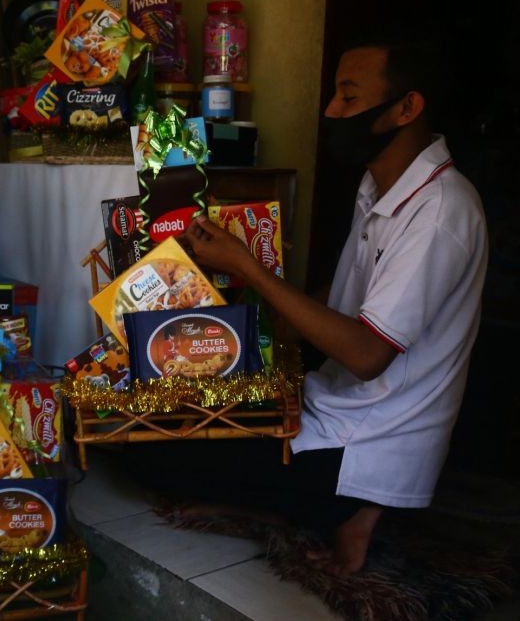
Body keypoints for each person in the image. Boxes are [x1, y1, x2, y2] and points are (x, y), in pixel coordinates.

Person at [181, 36, 488, 574]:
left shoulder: (441, 212)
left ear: (406, 108)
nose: (331, 111)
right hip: (331, 405)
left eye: (348, 98)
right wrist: (263, 319)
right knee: (168, 413)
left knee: (165, 455)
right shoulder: (381, 184)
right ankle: (293, 502)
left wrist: (249, 268)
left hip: (368, 442)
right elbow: (350, 292)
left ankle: (352, 510)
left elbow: (369, 353)